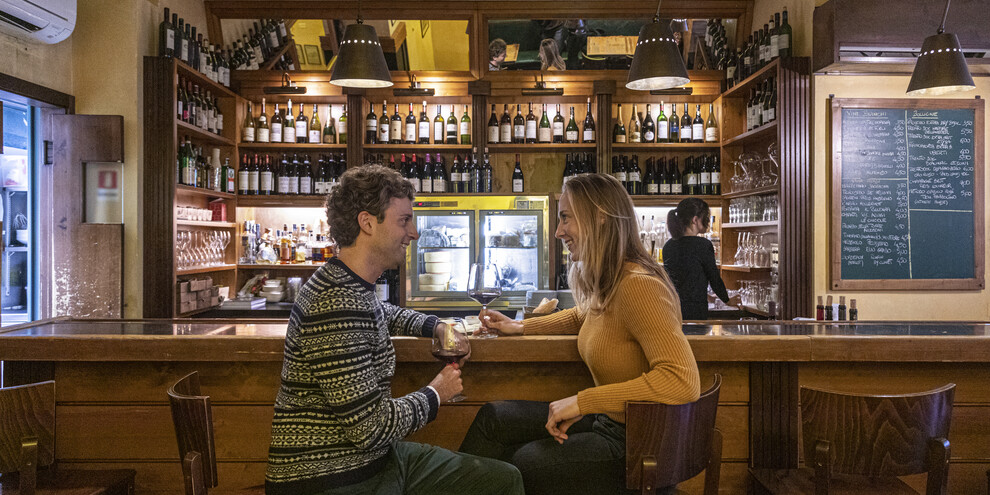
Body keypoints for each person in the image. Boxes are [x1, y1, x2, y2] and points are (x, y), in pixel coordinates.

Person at [265, 165, 524, 495]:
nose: (413, 233)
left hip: (369, 462)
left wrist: (435, 324)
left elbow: (381, 313)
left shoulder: (350, 286)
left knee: (503, 477)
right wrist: (437, 392)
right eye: (404, 220)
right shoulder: (336, 300)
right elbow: (370, 429)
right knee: (499, 480)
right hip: (332, 477)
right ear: (368, 223)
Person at [458, 173, 701, 495]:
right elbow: (580, 316)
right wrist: (520, 326)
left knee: (524, 462)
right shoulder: (614, 281)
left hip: (639, 443)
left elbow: (682, 380)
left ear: (599, 218)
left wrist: (583, 401)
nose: (559, 231)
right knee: (494, 418)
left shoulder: (639, 285)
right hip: (613, 423)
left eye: (565, 218)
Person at [662, 198, 730, 320]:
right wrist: (728, 300)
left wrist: (708, 296)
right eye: (706, 217)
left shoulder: (668, 246)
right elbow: (714, 278)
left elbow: (683, 281)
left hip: (672, 310)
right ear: (695, 220)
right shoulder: (703, 245)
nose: (708, 222)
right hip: (696, 312)